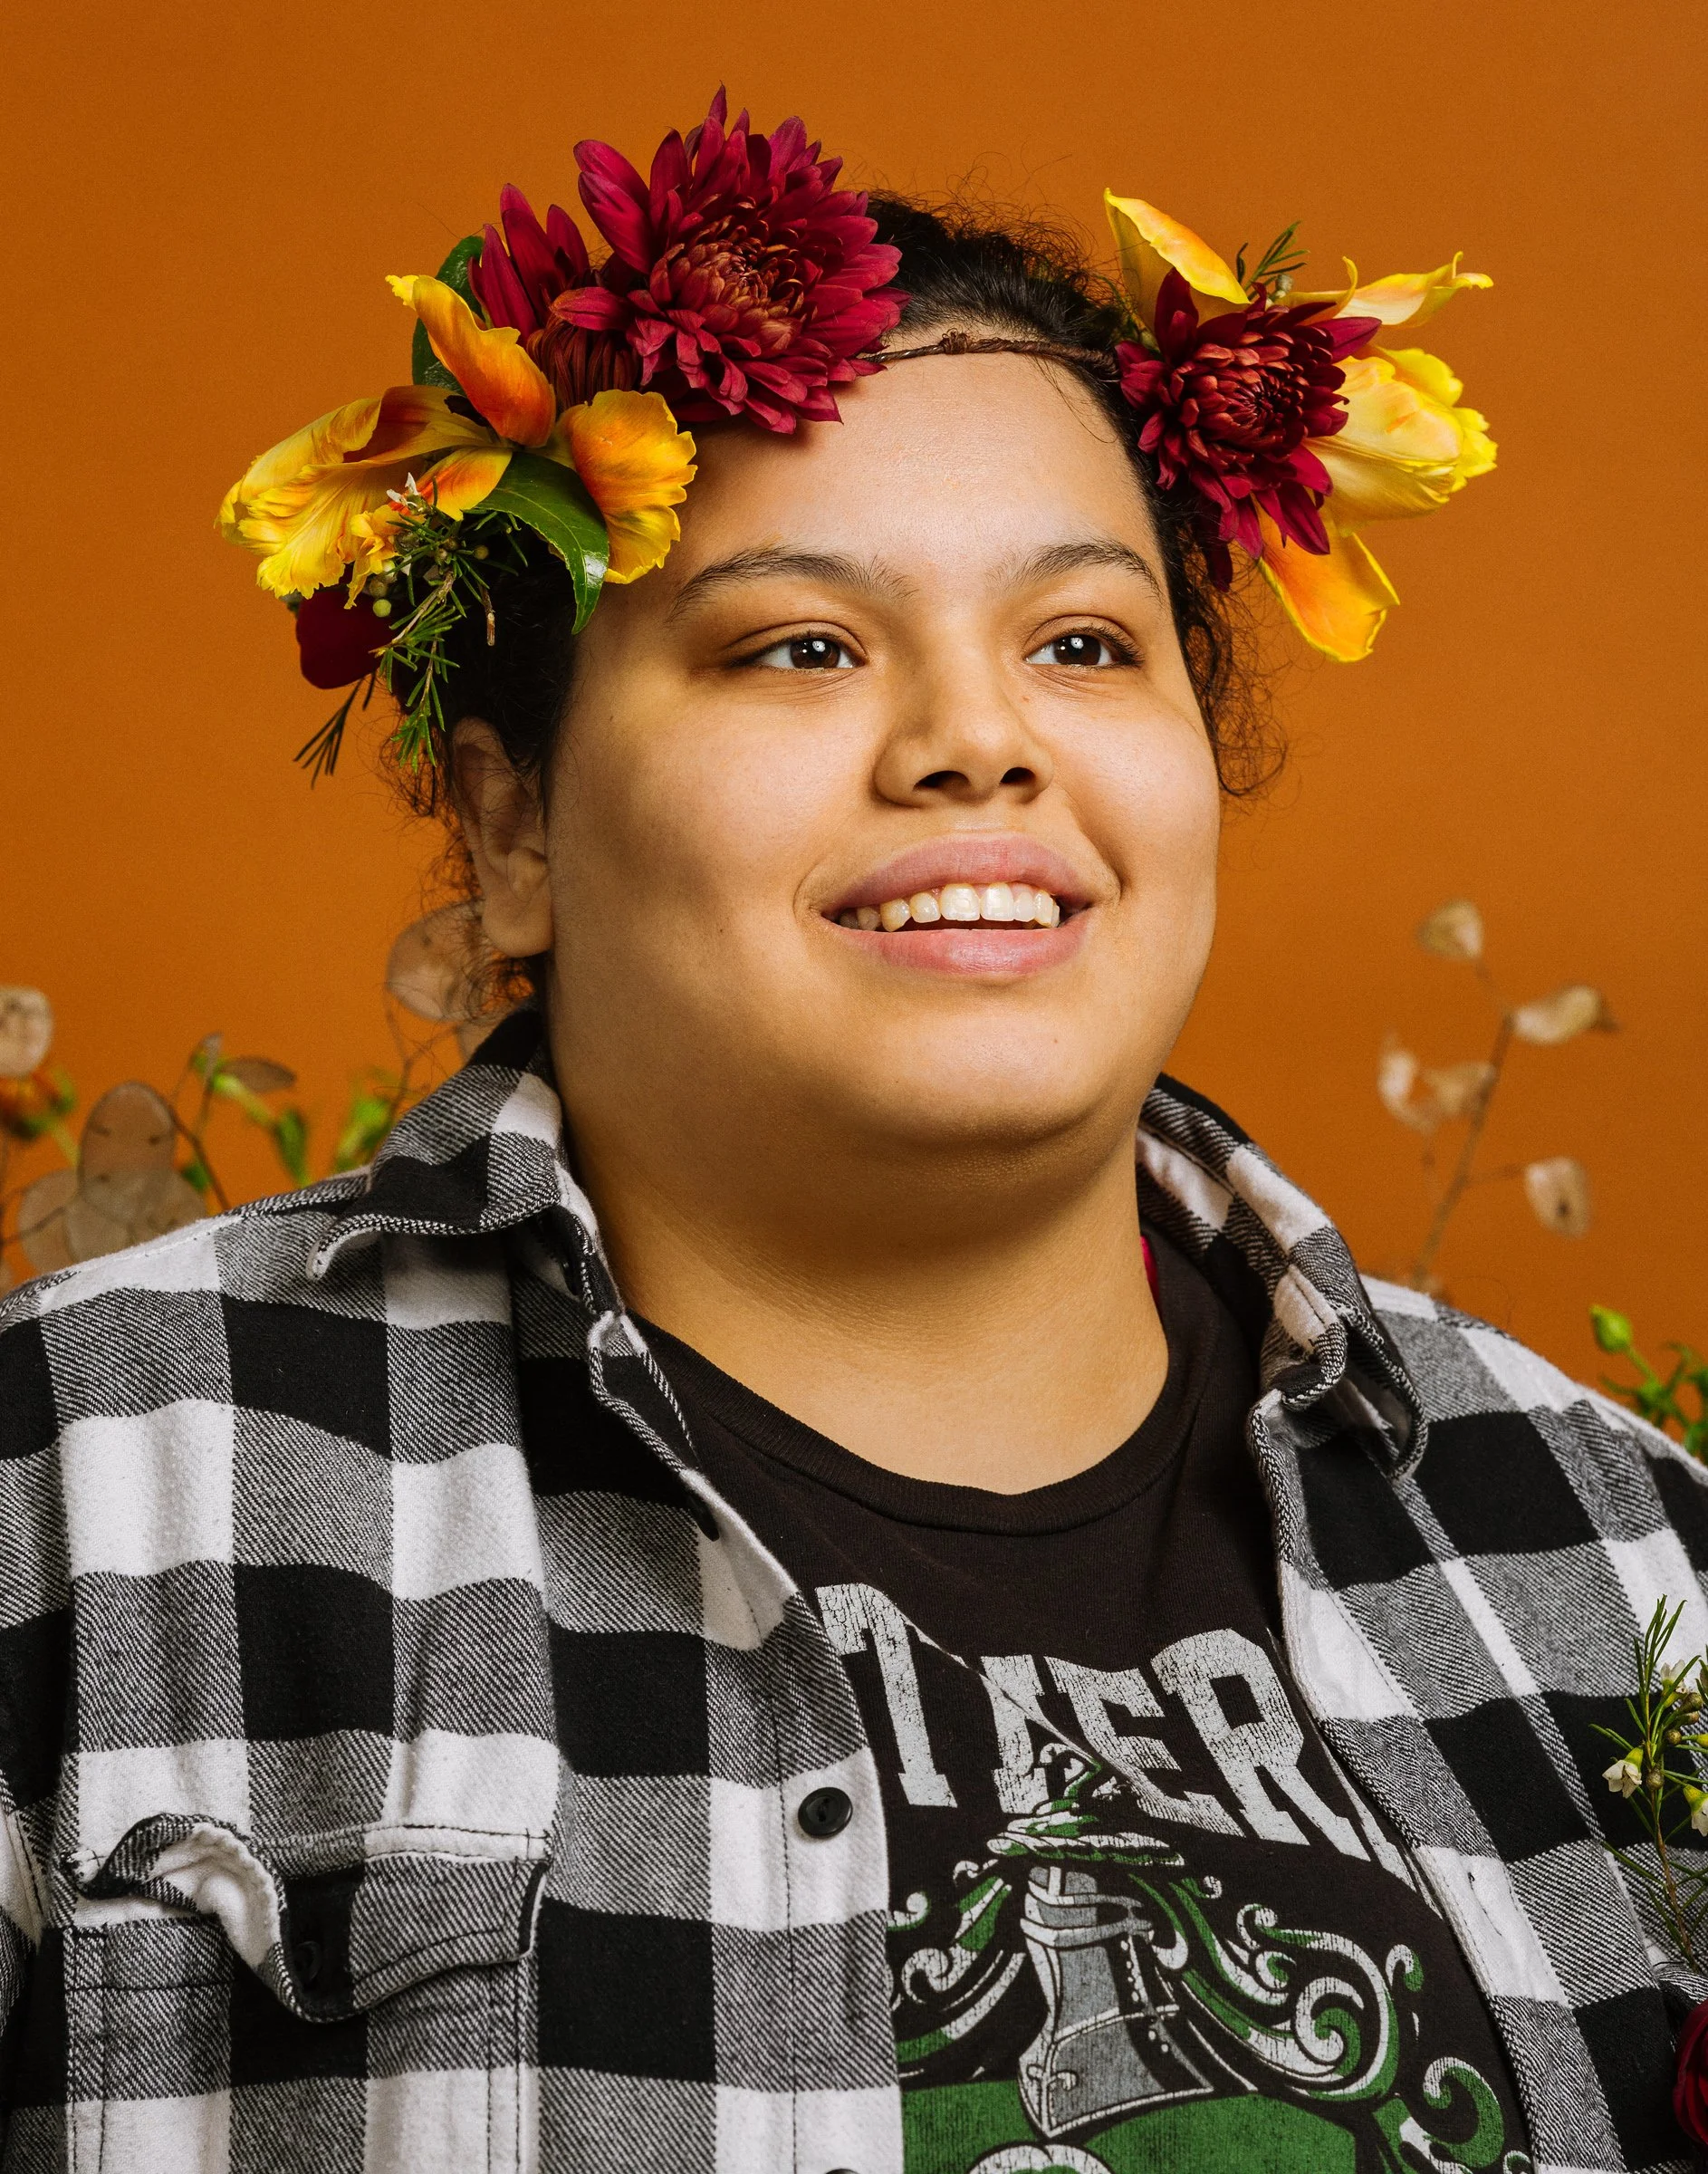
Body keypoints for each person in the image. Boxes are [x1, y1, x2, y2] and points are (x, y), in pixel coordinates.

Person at [0, 92, 1696, 2174]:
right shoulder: (83, 1492)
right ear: (514, 829)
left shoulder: (1615, 1549)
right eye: (800, 645)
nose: (977, 739)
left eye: (1081, 643)